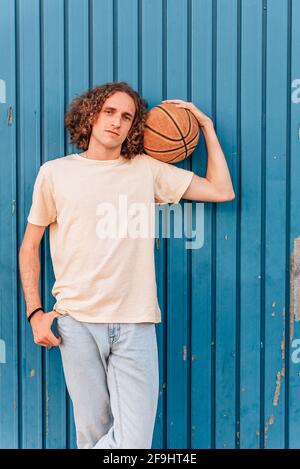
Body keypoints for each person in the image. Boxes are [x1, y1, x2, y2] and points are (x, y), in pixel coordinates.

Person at [18, 81, 235, 449]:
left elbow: (221, 190)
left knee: (133, 444)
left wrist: (207, 128)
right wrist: (35, 313)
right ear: (90, 115)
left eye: (127, 117)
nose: (117, 122)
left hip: (135, 321)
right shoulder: (55, 173)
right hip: (77, 322)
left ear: (134, 127)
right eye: (109, 112)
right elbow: (29, 247)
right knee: (92, 435)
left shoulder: (145, 170)